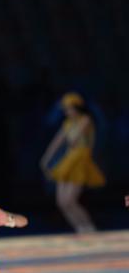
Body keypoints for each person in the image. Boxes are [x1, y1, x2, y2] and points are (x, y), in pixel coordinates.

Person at [40, 92, 104, 233]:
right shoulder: (67, 123)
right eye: (65, 109)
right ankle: (80, 228)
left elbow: (74, 139)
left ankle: (89, 227)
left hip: (80, 159)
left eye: (68, 108)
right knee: (61, 202)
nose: (66, 111)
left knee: (70, 200)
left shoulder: (85, 120)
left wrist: (70, 130)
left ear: (76, 108)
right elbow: (57, 141)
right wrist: (46, 158)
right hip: (69, 159)